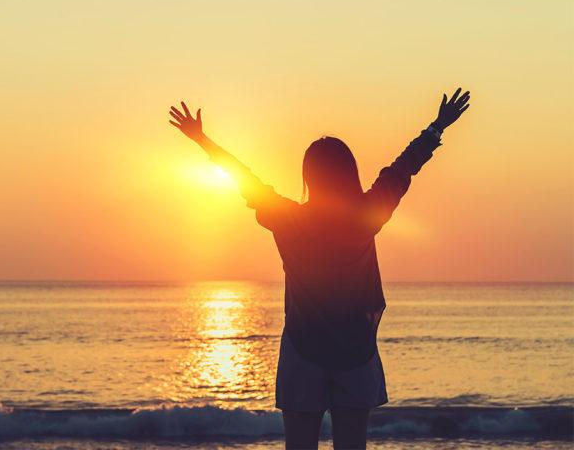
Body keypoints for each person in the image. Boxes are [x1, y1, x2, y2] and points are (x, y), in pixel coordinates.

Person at [168, 88, 471, 449]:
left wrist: (202, 140)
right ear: (349, 172)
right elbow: (403, 168)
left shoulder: (289, 218)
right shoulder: (365, 215)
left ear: (309, 176)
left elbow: (243, 177)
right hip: (356, 350)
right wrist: (437, 127)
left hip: (303, 348)